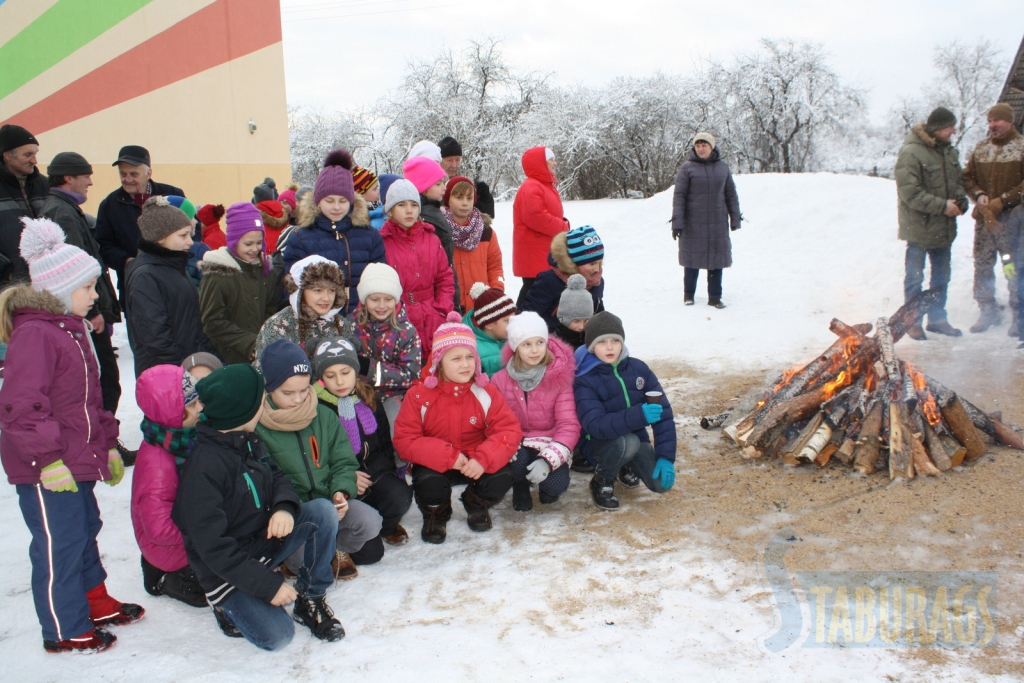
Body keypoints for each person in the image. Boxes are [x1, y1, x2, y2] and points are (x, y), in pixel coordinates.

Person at [0, 216, 142, 654]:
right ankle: (64, 626)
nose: (95, 295)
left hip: (75, 458)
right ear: (60, 290)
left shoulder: (71, 331)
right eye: (87, 288)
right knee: (59, 542)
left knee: (85, 528)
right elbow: (22, 406)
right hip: (45, 467)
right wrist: (47, 462)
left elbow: (86, 400)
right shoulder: (35, 335)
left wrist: (107, 445)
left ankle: (94, 601)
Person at [173, 364, 346, 649]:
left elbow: (278, 476)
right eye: (259, 401)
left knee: (322, 512)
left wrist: (284, 508)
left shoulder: (248, 441)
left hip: (262, 542)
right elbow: (213, 548)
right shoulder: (203, 471)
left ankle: (310, 598)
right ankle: (224, 607)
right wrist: (268, 586)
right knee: (277, 637)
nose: (263, 404)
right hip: (226, 570)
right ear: (243, 411)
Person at [255, 340, 382, 581]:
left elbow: (344, 461)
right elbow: (265, 479)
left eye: (304, 390)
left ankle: (333, 550)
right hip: (293, 513)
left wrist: (341, 492)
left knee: (370, 522)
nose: (298, 399)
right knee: (303, 562)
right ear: (270, 388)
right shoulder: (260, 425)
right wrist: (290, 508)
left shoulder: (323, 414)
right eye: (287, 393)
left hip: (328, 502)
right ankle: (302, 556)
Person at [393, 312, 522, 544]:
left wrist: (484, 458)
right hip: (437, 463)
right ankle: (436, 512)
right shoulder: (419, 395)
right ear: (438, 362)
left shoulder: (486, 392)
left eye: (469, 357)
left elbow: (508, 431)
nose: (465, 365)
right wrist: (446, 455)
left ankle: (475, 502)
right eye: (455, 359)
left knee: (504, 475)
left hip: (475, 459)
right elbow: (405, 440)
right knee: (427, 482)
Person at [312, 336, 414, 557]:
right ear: (321, 378)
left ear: (356, 371)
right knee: (369, 554)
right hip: (339, 481)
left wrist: (379, 472)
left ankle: (385, 526)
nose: (340, 382)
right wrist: (347, 477)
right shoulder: (317, 408)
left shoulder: (368, 397)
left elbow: (385, 444)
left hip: (372, 472)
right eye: (330, 376)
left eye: (345, 373)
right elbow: (316, 459)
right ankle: (350, 538)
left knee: (400, 496)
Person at [40, 152, 122, 415]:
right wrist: (94, 312)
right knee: (104, 380)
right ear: (68, 177)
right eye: (86, 176)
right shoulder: (62, 212)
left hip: (83, 311)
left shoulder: (63, 208)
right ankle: (104, 443)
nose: (90, 182)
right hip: (85, 314)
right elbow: (76, 269)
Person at [574, 312, 676, 510]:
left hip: (636, 441)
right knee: (627, 442)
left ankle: (626, 465)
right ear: (591, 345)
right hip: (598, 444)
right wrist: (639, 415)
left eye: (615, 340)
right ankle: (602, 480)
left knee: (661, 483)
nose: (610, 347)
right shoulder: (584, 378)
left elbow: (664, 414)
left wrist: (665, 456)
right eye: (602, 342)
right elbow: (595, 425)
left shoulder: (638, 369)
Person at [132, 365, 207, 608]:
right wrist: (205, 532)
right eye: (193, 405)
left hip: (185, 528)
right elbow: (159, 529)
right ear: (174, 412)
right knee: (208, 587)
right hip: (168, 544)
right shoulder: (158, 465)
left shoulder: (177, 439)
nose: (201, 408)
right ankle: (167, 578)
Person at [491, 312, 579, 511]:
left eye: (539, 342)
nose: (534, 350)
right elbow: (496, 422)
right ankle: (519, 483)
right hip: (517, 443)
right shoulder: (499, 380)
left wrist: (548, 460)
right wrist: (508, 443)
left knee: (555, 486)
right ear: (515, 347)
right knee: (517, 460)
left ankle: (545, 485)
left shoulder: (560, 378)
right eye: (526, 344)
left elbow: (569, 425)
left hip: (549, 442)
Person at [895, 107, 967, 339]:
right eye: (950, 127)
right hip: (919, 229)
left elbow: (958, 183)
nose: (954, 131)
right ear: (937, 128)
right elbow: (910, 193)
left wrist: (961, 200)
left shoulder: (950, 153)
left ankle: (937, 319)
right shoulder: (912, 153)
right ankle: (911, 321)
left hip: (943, 230)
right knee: (915, 277)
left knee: (941, 277)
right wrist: (943, 206)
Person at [282, 150, 385, 313]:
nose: (336, 207)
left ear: (351, 201)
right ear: (318, 201)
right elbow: (291, 286)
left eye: (343, 201)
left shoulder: (369, 235)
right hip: (319, 324)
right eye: (329, 201)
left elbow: (380, 280)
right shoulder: (301, 238)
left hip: (362, 321)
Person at [125, 197, 217, 378]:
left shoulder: (174, 265)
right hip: (165, 375)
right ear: (159, 238)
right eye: (183, 235)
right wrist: (184, 371)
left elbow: (192, 324)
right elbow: (155, 337)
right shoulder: (146, 276)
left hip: (186, 365)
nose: (191, 242)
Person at [962, 103, 1024, 335]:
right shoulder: (981, 149)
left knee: (1012, 265)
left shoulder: (1021, 146)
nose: (992, 125)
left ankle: (1019, 314)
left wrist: (1004, 199)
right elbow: (967, 178)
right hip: (985, 222)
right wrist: (978, 194)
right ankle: (987, 309)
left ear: (1009, 121)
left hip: (1012, 222)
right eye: (989, 121)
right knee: (983, 264)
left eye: (996, 121)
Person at [95, 145, 184, 305]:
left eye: (134, 174)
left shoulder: (173, 196)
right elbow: (103, 245)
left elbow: (193, 231)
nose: (127, 179)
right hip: (134, 284)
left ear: (148, 173)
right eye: (123, 174)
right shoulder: (109, 205)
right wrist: (127, 261)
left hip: (174, 280)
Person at [379, 179, 455, 358]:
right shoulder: (382, 243)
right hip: (399, 320)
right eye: (401, 205)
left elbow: (445, 277)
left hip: (432, 315)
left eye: (413, 204)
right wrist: (393, 317)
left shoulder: (431, 238)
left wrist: (442, 309)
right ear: (390, 210)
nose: (409, 210)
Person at [198, 203, 280, 364]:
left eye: (259, 243)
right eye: (248, 244)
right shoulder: (218, 273)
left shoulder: (265, 270)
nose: (254, 249)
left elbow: (271, 310)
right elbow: (212, 322)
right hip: (228, 357)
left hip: (261, 354)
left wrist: (267, 340)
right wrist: (250, 343)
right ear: (233, 241)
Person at [671, 132, 742, 309]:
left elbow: (731, 195)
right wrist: (677, 223)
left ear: (712, 147)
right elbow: (679, 196)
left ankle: (715, 297)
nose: (701, 148)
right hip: (693, 223)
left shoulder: (723, 168)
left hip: (718, 223)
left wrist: (735, 218)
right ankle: (689, 294)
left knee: (716, 260)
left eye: (704, 145)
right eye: (698, 145)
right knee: (692, 260)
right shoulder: (687, 168)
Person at [348, 262, 422, 425]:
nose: (381, 306)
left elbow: (411, 375)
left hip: (392, 396)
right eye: (375, 299)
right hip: (356, 393)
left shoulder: (406, 331)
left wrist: (370, 369)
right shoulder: (351, 324)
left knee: (396, 431)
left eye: (388, 299)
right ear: (364, 299)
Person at [254, 254, 357, 365]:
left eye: (331, 290)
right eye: (318, 290)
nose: (326, 298)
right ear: (300, 292)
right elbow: (267, 373)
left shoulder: (342, 325)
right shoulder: (277, 326)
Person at [513, 146, 569, 308]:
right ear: (540, 162)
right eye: (551, 159)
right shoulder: (532, 187)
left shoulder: (542, 185)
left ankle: (529, 324)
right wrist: (563, 226)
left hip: (542, 251)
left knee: (540, 291)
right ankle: (520, 324)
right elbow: (536, 217)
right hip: (535, 253)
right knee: (533, 291)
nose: (555, 163)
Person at [521, 225, 605, 331]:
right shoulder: (549, 280)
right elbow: (526, 317)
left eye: (599, 262)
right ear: (574, 263)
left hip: (583, 342)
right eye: (592, 263)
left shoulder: (597, 282)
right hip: (551, 342)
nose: (597, 269)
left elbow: (599, 314)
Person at [404, 155, 460, 309]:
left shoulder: (434, 211)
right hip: (436, 293)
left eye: (443, 182)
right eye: (438, 183)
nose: (444, 187)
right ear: (423, 186)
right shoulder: (426, 217)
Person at [443, 176, 504, 311]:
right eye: (459, 198)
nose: (465, 203)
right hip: (451, 308)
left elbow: (495, 268)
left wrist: (495, 293)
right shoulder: (440, 232)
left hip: (481, 307)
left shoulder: (486, 232)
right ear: (448, 199)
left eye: (469, 198)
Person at [0, 124, 47, 284]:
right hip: (8, 287)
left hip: (47, 280)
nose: (34, 160)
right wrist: (7, 270)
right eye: (27, 154)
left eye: (35, 153)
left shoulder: (44, 185)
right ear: (7, 155)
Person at [463, 282, 516, 377]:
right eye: (507, 320)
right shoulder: (474, 350)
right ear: (489, 324)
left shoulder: (511, 337)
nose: (513, 324)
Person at [551, 273, 594, 351]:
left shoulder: (592, 339)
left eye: (586, 321)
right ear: (563, 319)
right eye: (576, 321)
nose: (582, 326)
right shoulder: (555, 344)